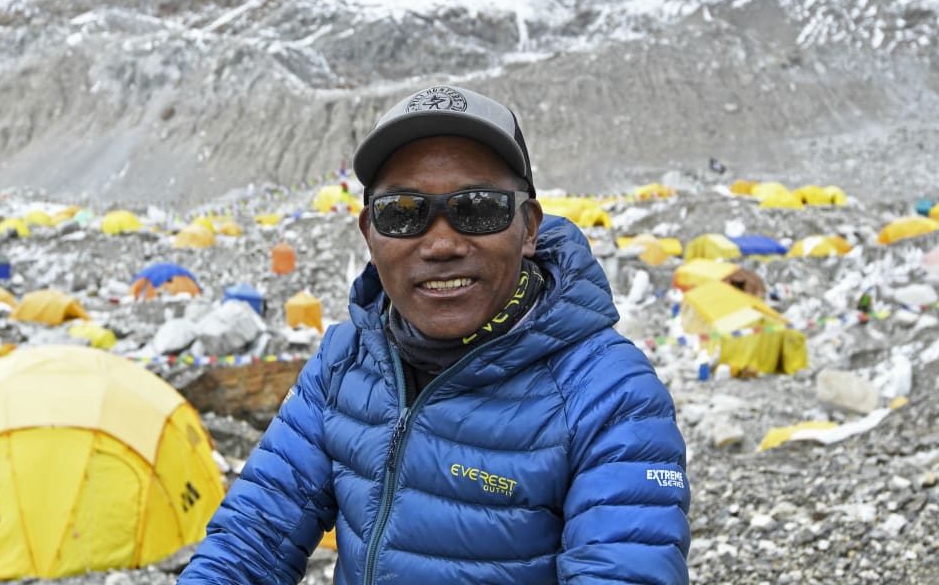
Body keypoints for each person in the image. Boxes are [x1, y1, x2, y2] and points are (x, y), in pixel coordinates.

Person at [179, 84, 691, 584]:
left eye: (478, 208)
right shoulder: (345, 362)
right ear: (369, 236)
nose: (442, 243)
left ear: (529, 228)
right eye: (403, 213)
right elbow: (249, 540)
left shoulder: (609, 394)